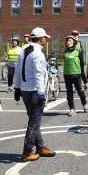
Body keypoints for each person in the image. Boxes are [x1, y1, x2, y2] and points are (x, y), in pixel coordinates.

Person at [14, 27, 56, 162]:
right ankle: (27, 151)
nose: (46, 40)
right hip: (34, 92)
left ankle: (40, 147)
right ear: (42, 38)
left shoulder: (24, 50)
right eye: (45, 38)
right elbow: (39, 75)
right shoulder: (38, 54)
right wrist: (41, 94)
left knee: (34, 121)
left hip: (26, 90)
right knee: (34, 123)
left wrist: (16, 87)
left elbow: (18, 71)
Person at [63, 36, 88, 116]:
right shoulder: (65, 53)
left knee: (79, 91)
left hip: (76, 74)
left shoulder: (79, 52)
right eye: (67, 41)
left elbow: (82, 65)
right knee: (69, 93)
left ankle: (84, 104)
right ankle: (72, 109)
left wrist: (85, 80)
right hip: (67, 74)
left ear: (74, 42)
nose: (68, 42)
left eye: (70, 41)